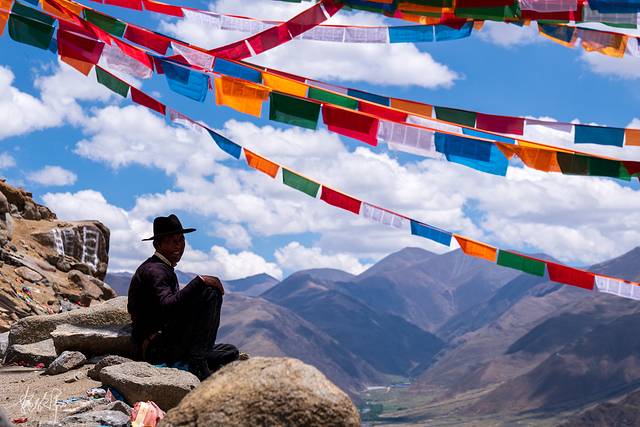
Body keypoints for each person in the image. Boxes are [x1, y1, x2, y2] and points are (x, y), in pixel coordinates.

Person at [127, 214, 244, 380]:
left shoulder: (162, 268)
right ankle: (197, 364)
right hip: (156, 347)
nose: (178, 245)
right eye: (172, 240)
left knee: (229, 351)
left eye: (181, 240)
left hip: (167, 342)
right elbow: (167, 305)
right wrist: (200, 281)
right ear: (157, 244)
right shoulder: (155, 271)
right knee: (210, 292)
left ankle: (196, 358)